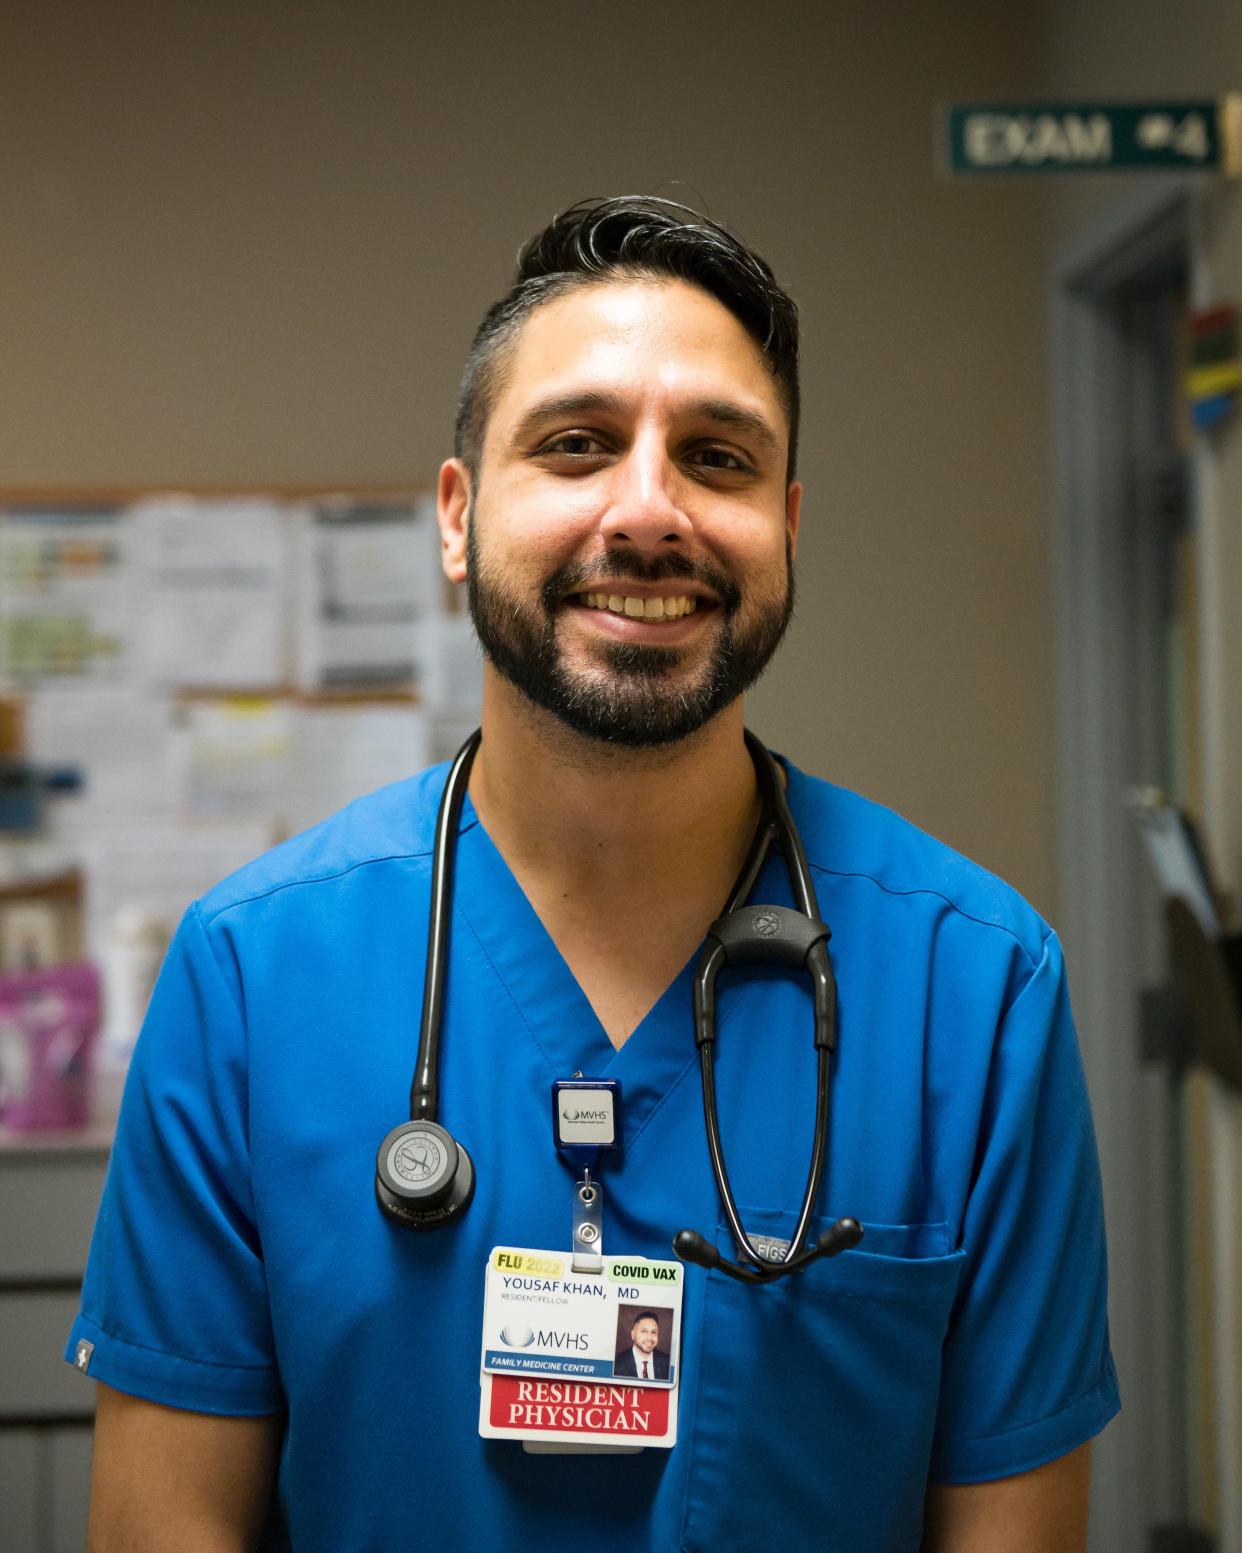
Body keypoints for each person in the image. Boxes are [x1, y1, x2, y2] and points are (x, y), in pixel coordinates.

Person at [69, 196, 1119, 1552]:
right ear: (457, 517)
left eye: (716, 458)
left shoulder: (973, 988)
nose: (647, 510)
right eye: (574, 446)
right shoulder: (252, 977)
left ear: (787, 525)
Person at [613, 1311, 671, 1381]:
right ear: (633, 1335)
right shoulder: (616, 1364)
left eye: (654, 1332)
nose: (649, 1338)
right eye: (644, 1331)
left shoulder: (668, 1363)